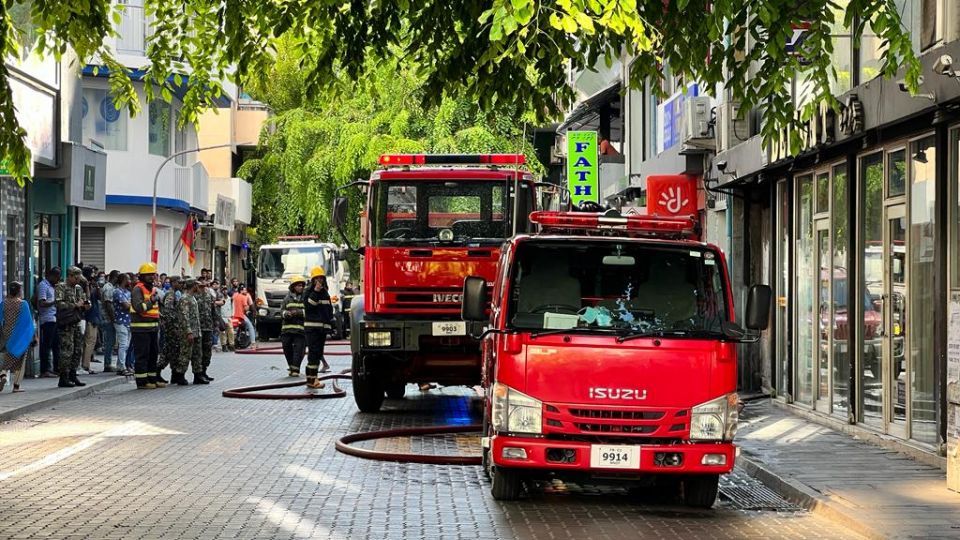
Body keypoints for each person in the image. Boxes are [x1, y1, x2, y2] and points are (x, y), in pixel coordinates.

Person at [0, 282, 37, 393]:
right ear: (19, 291)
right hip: (20, 337)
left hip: (6, 336)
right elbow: (28, 322)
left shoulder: (3, 304)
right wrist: (34, 336)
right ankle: (16, 386)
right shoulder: (23, 304)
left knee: (6, 359)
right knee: (20, 360)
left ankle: (2, 374)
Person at [131, 262, 163, 389]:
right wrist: (151, 301)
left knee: (153, 354)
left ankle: (152, 379)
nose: (151, 277)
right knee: (142, 355)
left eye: (153, 274)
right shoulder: (137, 289)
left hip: (153, 328)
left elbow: (155, 310)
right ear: (142, 276)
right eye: (148, 275)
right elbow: (139, 307)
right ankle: (142, 382)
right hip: (140, 328)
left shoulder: (153, 289)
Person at [55, 267, 88, 388]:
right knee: (67, 351)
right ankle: (64, 377)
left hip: (76, 322)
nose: (77, 280)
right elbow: (58, 304)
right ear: (69, 276)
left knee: (77, 350)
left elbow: (84, 300)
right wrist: (74, 305)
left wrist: (85, 305)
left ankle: (73, 375)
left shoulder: (78, 288)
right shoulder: (61, 287)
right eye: (76, 277)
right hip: (66, 323)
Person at [303, 267, 333, 389]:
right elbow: (309, 306)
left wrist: (329, 325)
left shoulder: (325, 292)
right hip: (312, 328)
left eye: (321, 278)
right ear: (313, 280)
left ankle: (312, 379)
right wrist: (315, 291)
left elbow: (328, 311)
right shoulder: (309, 291)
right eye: (317, 278)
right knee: (313, 353)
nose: (320, 280)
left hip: (322, 329)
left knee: (318, 353)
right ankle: (312, 380)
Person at [159, 276, 189, 385]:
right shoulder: (170, 295)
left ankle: (174, 375)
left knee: (174, 351)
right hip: (172, 328)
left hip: (176, 327)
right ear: (173, 283)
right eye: (179, 282)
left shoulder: (176, 293)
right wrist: (174, 327)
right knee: (171, 350)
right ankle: (160, 371)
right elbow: (168, 312)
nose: (181, 284)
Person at [280, 275, 307, 377]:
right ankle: (292, 367)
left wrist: (298, 312)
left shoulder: (306, 298)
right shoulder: (287, 299)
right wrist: (286, 314)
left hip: (300, 331)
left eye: (302, 286)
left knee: (298, 351)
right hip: (287, 330)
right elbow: (281, 311)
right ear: (293, 287)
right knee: (287, 349)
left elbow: (309, 312)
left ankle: (295, 370)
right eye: (298, 285)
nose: (301, 287)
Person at [181, 278, 206, 384]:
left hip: (197, 330)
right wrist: (188, 331)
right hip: (189, 331)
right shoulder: (185, 298)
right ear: (193, 286)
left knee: (197, 354)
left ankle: (198, 375)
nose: (199, 287)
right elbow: (184, 316)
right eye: (197, 285)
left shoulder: (193, 298)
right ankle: (180, 375)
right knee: (185, 354)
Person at [37, 267, 61, 378]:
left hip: (54, 317)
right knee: (47, 345)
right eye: (57, 277)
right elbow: (42, 303)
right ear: (51, 275)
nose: (58, 280)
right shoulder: (43, 285)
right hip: (47, 319)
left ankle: (56, 368)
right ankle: (45, 369)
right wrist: (54, 302)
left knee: (56, 345)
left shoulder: (52, 286)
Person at [81, 268, 102, 374]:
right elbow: (87, 298)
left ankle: (86, 363)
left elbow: (100, 297)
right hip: (89, 317)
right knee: (89, 342)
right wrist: (88, 286)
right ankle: (85, 365)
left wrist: (97, 286)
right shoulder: (84, 286)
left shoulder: (94, 286)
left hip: (94, 316)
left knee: (92, 342)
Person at [195, 279, 216, 382]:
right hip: (198, 328)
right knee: (198, 352)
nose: (203, 288)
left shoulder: (208, 295)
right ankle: (198, 374)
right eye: (201, 286)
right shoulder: (194, 297)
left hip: (208, 326)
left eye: (205, 285)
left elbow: (213, 309)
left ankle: (204, 371)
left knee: (207, 351)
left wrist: (216, 322)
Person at [113, 273, 133, 375]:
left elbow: (131, 303)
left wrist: (130, 303)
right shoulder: (117, 291)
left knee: (126, 345)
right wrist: (130, 303)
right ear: (124, 280)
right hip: (120, 321)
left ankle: (120, 365)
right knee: (123, 345)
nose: (130, 281)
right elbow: (127, 306)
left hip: (128, 321)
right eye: (128, 279)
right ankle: (122, 367)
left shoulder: (127, 292)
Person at [101, 270, 119, 372]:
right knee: (109, 341)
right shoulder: (108, 288)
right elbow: (108, 304)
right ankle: (107, 364)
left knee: (111, 341)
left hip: (108, 318)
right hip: (107, 318)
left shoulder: (112, 287)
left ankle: (108, 363)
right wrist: (113, 319)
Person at [219, 286, 235, 352]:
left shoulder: (230, 299)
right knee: (223, 332)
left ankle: (231, 345)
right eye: (223, 290)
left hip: (229, 317)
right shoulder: (220, 299)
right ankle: (224, 345)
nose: (225, 291)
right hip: (222, 317)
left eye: (226, 290)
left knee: (231, 331)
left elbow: (233, 307)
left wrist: (232, 315)